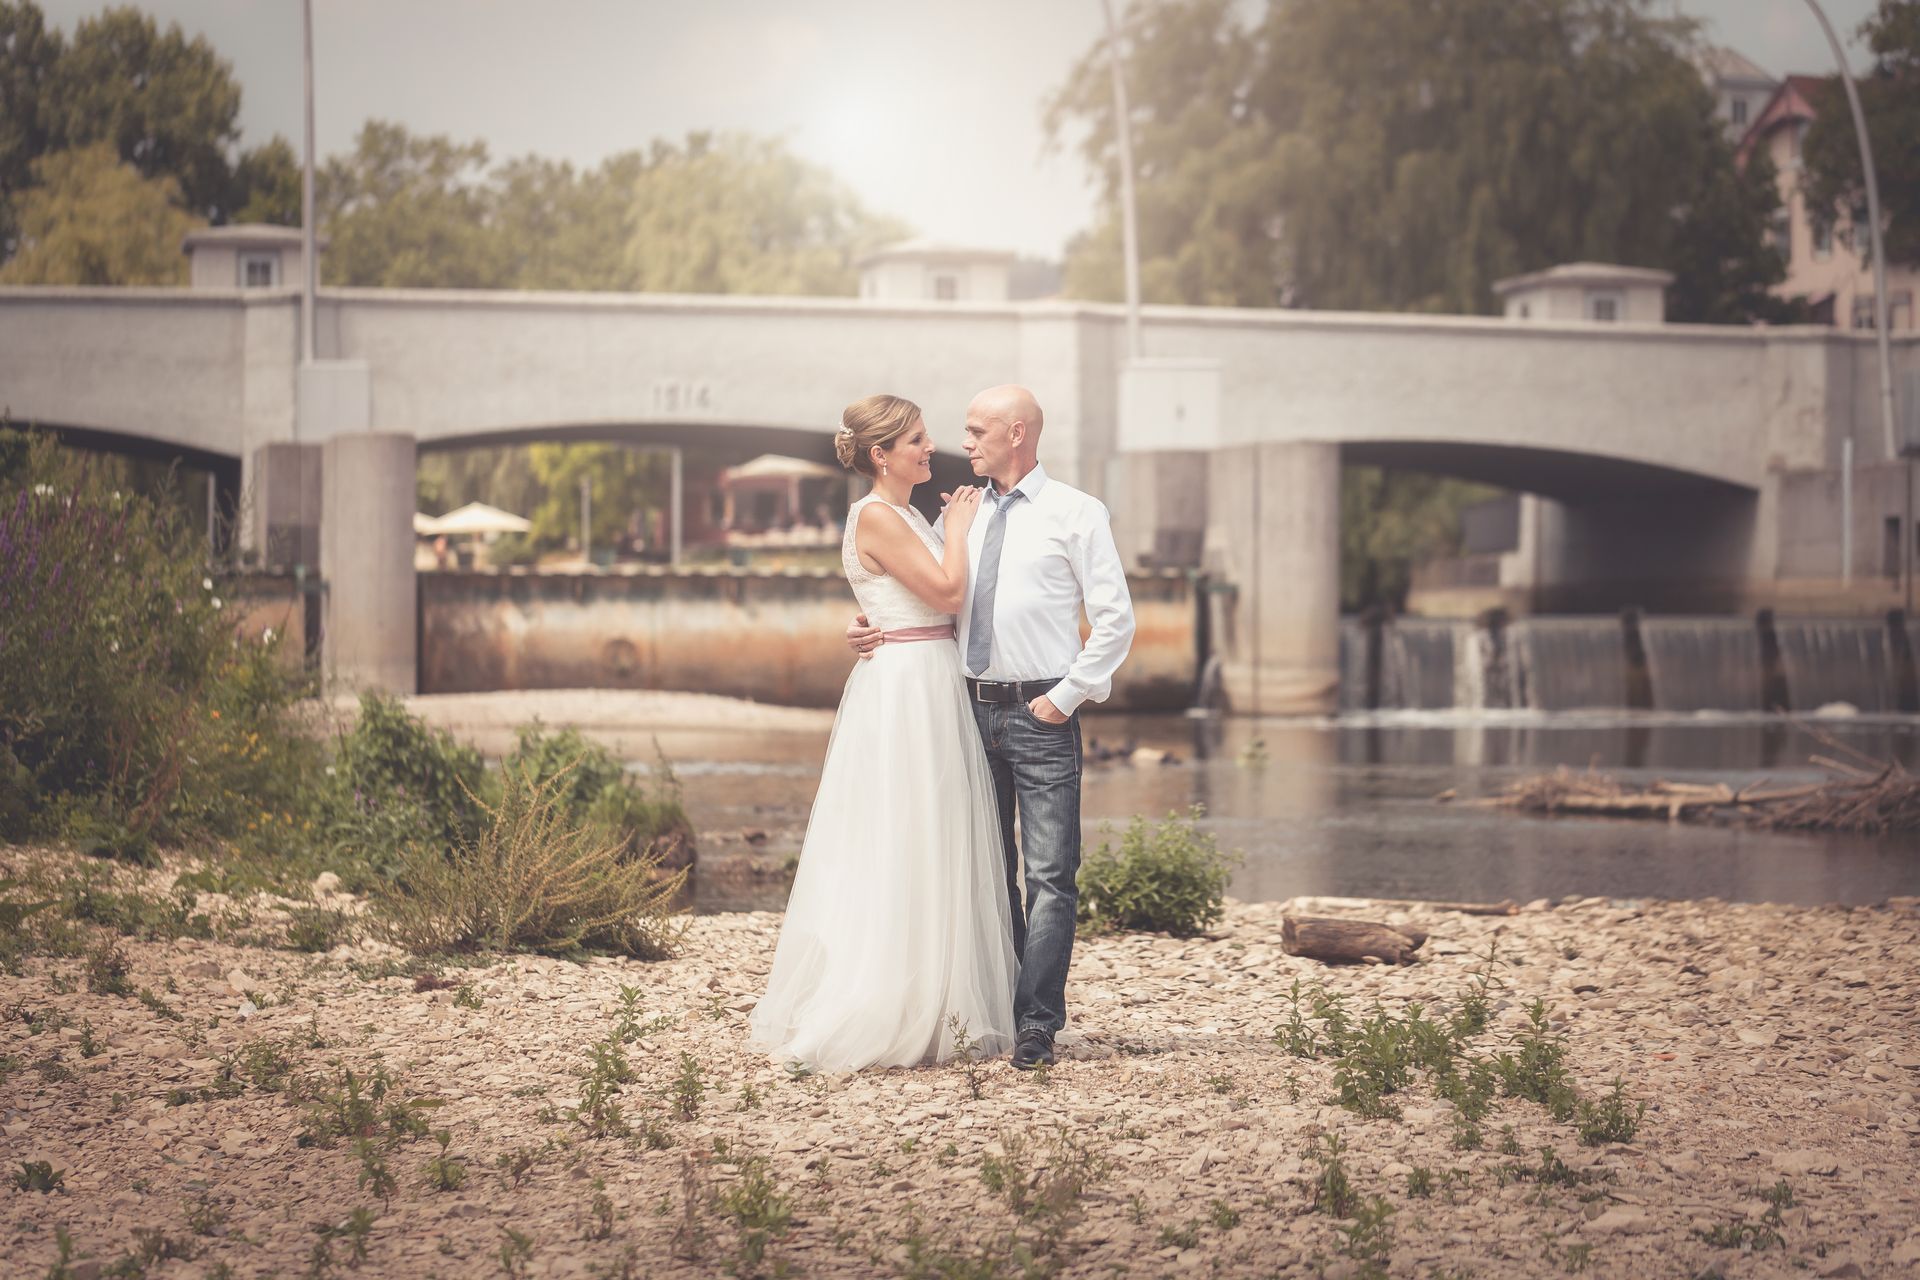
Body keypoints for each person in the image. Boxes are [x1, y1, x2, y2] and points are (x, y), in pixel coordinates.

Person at [846, 385, 1135, 1070]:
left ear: (1016, 433)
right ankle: (999, 1008)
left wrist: (1066, 698)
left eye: (976, 431)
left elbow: (1116, 620)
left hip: (1041, 712)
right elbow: (920, 589)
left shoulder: (1077, 513)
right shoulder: (959, 515)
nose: (961, 443)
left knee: (1051, 873)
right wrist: (865, 626)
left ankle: (1038, 1023)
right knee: (983, 869)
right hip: (963, 708)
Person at [747, 394, 1017, 1072]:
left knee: (933, 835)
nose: (931, 449)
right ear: (881, 454)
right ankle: (895, 1001)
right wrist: (959, 523)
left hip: (924, 671)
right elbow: (949, 592)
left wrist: (871, 617)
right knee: (904, 834)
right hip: (907, 688)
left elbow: (911, 601)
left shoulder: (902, 514)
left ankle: (943, 993)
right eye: (918, 440)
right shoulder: (877, 514)